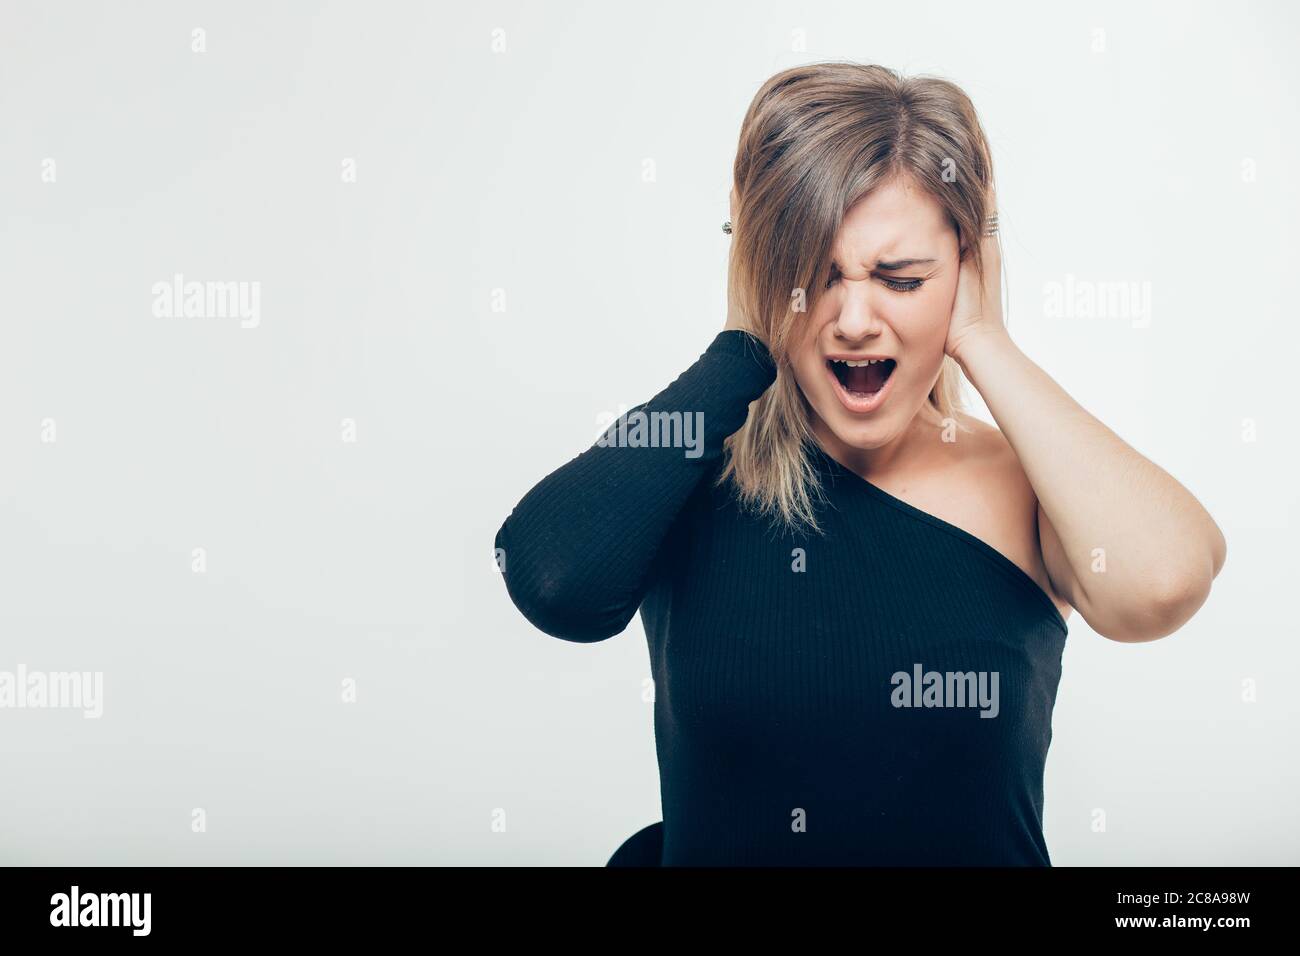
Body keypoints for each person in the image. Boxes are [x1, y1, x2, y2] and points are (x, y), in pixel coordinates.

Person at [494, 62, 1227, 866]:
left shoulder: (1026, 486)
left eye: (901, 278)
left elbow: (1162, 583)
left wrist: (984, 339)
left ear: (968, 269)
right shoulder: (688, 476)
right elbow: (553, 581)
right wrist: (745, 338)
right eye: (812, 275)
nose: (850, 321)